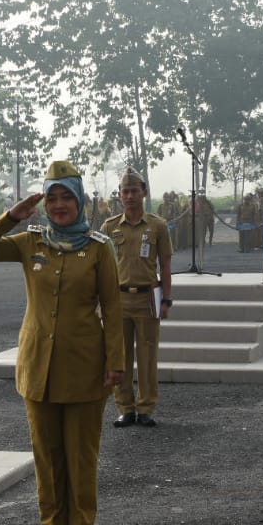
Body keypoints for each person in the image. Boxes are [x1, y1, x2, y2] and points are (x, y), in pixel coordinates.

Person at [0, 159, 124, 525]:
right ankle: (53, 522)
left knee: (81, 451)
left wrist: (116, 363)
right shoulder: (30, 242)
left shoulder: (98, 248)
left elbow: (113, 308)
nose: (59, 205)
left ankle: (81, 523)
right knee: (46, 450)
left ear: (80, 201)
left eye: (66, 198)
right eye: (52, 198)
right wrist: (11, 216)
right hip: (38, 363)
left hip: (85, 365)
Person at [102, 166, 173, 429]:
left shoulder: (157, 226)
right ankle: (125, 408)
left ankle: (145, 407)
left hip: (147, 298)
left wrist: (167, 299)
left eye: (134, 191)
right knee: (119, 357)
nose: (130, 196)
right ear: (119, 195)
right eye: (125, 191)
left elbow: (165, 264)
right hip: (118, 299)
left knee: (147, 355)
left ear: (143, 192)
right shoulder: (109, 227)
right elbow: (102, 268)